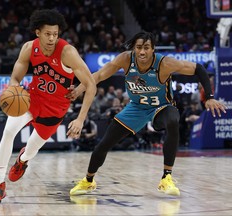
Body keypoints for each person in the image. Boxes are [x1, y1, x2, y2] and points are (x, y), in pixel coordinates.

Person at [68, 31, 227, 197]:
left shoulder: (165, 64)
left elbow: (199, 69)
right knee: (104, 143)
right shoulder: (125, 59)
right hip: (136, 107)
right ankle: (88, 180)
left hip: (161, 107)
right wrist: (81, 87)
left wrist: (209, 97)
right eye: (138, 47)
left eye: (146, 48)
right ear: (134, 48)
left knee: (173, 119)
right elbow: (99, 75)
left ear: (153, 49)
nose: (142, 52)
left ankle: (166, 177)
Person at [0, 9, 96, 204]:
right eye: (48, 34)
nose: (52, 38)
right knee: (8, 131)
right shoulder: (29, 48)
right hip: (32, 99)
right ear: (38, 32)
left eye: (55, 34)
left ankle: (22, 160)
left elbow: (91, 85)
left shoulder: (67, 52)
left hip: (55, 108)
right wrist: (14, 89)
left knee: (31, 150)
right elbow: (15, 77)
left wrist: (80, 118)